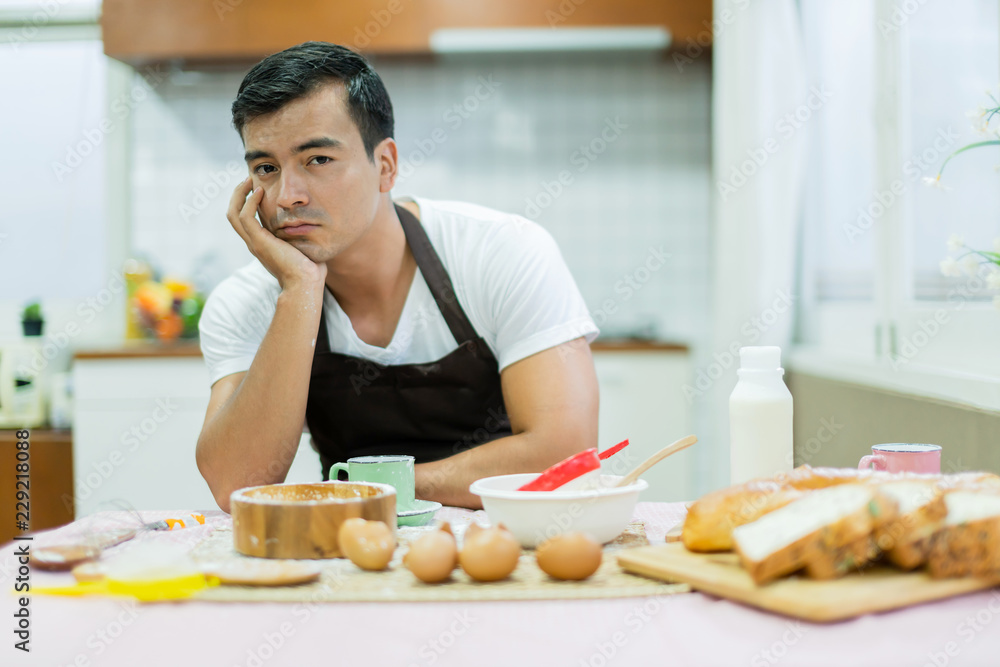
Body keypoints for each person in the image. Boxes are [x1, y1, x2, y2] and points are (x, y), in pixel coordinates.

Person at [195, 41, 599, 512]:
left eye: (318, 160)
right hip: (350, 545)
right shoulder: (243, 302)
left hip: (507, 535)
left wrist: (369, 490)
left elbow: (565, 453)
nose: (287, 196)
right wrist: (299, 291)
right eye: (266, 168)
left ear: (385, 166)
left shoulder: (503, 251)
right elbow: (235, 484)